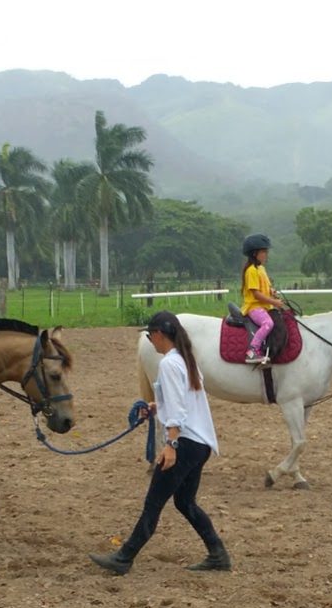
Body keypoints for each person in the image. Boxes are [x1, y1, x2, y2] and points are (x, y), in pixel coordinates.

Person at [90, 310, 232, 574]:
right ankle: (218, 554)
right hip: (200, 443)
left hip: (185, 442)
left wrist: (170, 445)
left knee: (153, 503)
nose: (150, 341)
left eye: (149, 335)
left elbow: (178, 410)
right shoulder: (184, 360)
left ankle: (124, 558)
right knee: (185, 502)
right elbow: (184, 401)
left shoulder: (168, 364)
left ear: (158, 334)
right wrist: (157, 407)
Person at [239, 233, 285, 365]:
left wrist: (272, 292)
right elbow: (256, 294)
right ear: (254, 253)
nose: (266, 254)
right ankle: (252, 351)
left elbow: (265, 287)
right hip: (254, 307)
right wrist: (274, 302)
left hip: (265, 306)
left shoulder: (261, 269)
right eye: (264, 251)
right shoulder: (251, 271)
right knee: (268, 324)